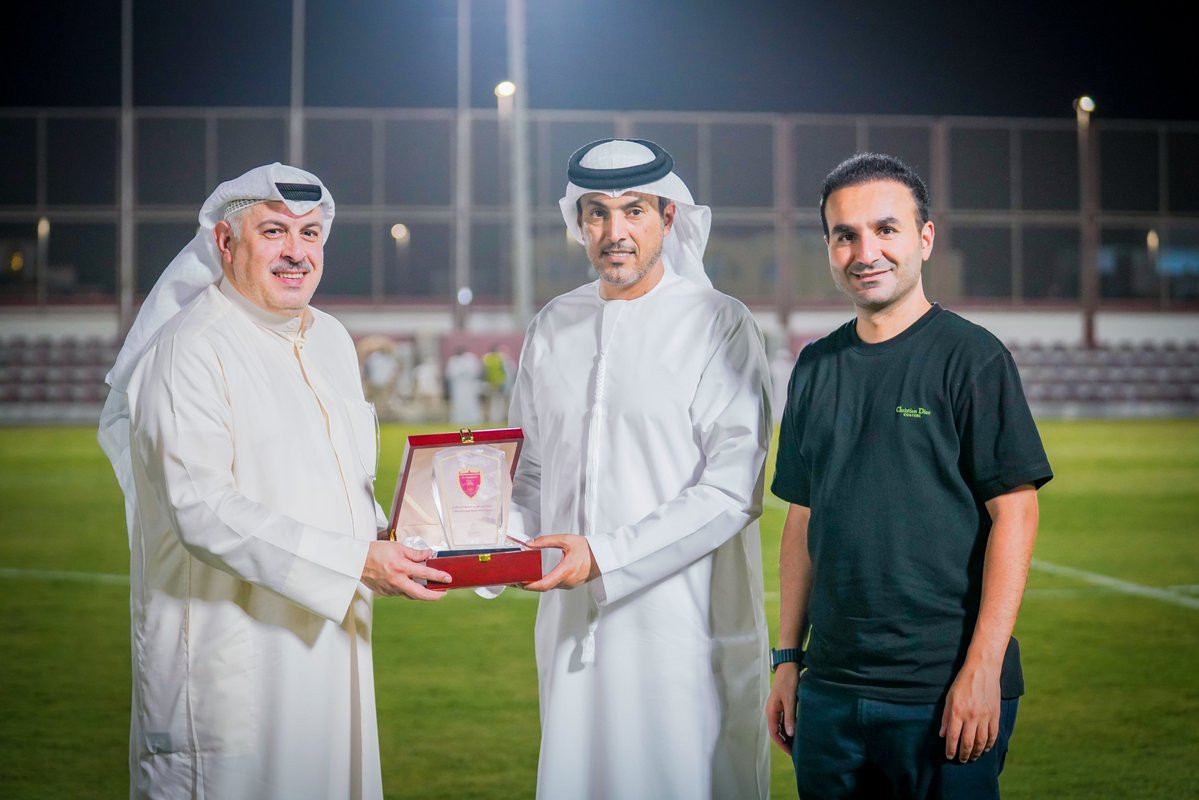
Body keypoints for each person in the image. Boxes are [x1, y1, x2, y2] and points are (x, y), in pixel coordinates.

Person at [97, 163, 451, 799]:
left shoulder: (331, 339)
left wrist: (395, 536)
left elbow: (338, 480)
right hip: (230, 670)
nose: (297, 252)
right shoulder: (188, 348)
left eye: (310, 233)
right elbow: (202, 509)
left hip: (331, 652)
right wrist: (355, 561)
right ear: (225, 242)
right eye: (274, 232)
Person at [765, 153, 1053, 799]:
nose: (866, 251)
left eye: (885, 229)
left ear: (924, 238)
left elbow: (1016, 511)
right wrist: (787, 659)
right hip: (829, 691)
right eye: (846, 235)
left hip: (942, 690)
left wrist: (982, 670)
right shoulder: (815, 366)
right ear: (829, 248)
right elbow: (803, 517)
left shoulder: (972, 357)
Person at [509, 139, 772, 799]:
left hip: (680, 630)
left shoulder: (717, 323)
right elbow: (529, 471)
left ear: (668, 217)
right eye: (596, 213)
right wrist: (485, 541)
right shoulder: (552, 325)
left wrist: (604, 556)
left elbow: (732, 491)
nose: (614, 232)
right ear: (579, 223)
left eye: (633, 211)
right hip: (568, 628)